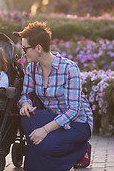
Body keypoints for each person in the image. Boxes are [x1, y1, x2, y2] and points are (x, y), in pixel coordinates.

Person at [16, 21, 93, 171]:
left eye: (25, 48)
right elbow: (25, 94)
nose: (23, 53)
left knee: (44, 144)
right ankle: (46, 154)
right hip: (53, 118)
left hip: (77, 123)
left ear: (38, 48)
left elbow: (73, 110)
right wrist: (24, 104)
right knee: (25, 117)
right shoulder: (32, 67)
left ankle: (81, 148)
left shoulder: (69, 69)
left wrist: (44, 130)